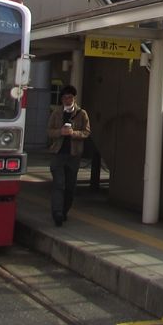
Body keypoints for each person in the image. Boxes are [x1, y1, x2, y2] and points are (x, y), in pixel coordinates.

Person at [47, 85, 90, 226]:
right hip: (58, 153)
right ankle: (57, 213)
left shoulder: (82, 113)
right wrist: (60, 132)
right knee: (59, 184)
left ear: (74, 98)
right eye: (65, 97)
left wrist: (74, 134)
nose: (68, 100)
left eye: (70, 97)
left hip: (74, 154)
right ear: (62, 99)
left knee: (70, 186)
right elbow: (49, 131)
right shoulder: (56, 113)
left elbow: (87, 132)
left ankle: (64, 211)